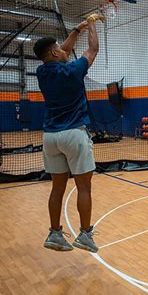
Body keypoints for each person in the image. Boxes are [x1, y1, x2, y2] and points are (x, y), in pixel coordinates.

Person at [33, 13, 104, 252]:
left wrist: (77, 29)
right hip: (74, 134)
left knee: (57, 188)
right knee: (84, 188)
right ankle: (85, 235)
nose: (64, 50)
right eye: (59, 49)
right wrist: (92, 23)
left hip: (50, 137)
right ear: (54, 53)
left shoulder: (42, 72)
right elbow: (93, 48)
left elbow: (60, 50)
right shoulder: (73, 70)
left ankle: (55, 234)